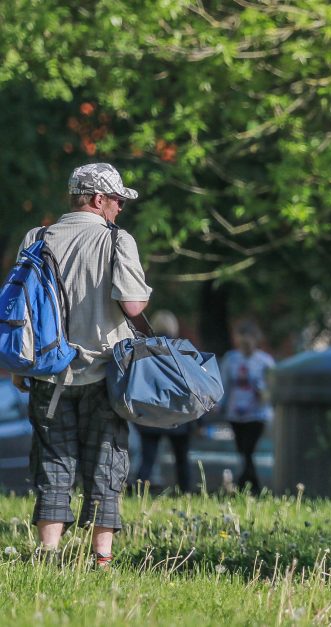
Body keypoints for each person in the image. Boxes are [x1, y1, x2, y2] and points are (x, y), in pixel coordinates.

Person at [12, 163, 151, 567]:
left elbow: (22, 307)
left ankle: (49, 556)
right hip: (104, 373)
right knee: (106, 461)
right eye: (117, 200)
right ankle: (101, 558)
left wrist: (24, 365)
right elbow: (132, 304)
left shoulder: (36, 237)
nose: (120, 208)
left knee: (53, 461)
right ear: (97, 199)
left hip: (48, 373)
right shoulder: (117, 241)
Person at [132, 310, 194, 493]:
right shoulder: (183, 350)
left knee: (147, 459)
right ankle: (186, 493)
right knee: (182, 459)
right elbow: (193, 386)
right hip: (178, 413)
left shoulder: (144, 350)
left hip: (151, 414)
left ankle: (139, 493)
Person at [219, 320, 275, 494]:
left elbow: (272, 387)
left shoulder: (265, 362)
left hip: (257, 414)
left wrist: (264, 393)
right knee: (243, 450)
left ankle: (250, 486)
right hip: (236, 413)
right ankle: (248, 486)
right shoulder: (231, 359)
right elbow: (224, 384)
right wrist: (220, 404)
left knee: (248, 449)